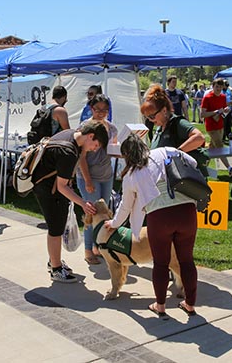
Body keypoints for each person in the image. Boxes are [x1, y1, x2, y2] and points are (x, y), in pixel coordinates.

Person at [104, 133, 198, 316]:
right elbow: (192, 163)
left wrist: (114, 224)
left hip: (160, 217)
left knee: (161, 263)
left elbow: (125, 206)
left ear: (126, 155)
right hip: (187, 211)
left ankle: (160, 305)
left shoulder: (131, 176)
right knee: (186, 260)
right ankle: (190, 304)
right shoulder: (166, 151)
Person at [31, 120, 108, 283]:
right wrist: (82, 203)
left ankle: (54, 260)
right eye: (96, 145)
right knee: (55, 229)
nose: (94, 150)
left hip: (46, 185)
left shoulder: (70, 134)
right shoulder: (68, 152)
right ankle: (56, 269)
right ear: (91, 136)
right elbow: (62, 187)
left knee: (56, 227)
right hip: (49, 190)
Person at [76, 94, 117, 265]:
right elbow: (81, 157)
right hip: (89, 177)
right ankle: (88, 250)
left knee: (103, 214)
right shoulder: (85, 128)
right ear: (91, 109)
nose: (101, 113)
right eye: (97, 109)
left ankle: (97, 247)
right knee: (91, 214)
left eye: (104, 110)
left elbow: (114, 150)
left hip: (106, 175)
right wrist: (87, 181)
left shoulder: (112, 128)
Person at [143, 84, 207, 176]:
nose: (150, 120)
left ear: (164, 111)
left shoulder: (178, 123)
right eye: (147, 117)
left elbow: (199, 138)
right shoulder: (160, 127)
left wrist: (176, 154)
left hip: (182, 181)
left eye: (152, 116)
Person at [200, 79, 232, 172]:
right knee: (219, 146)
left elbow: (223, 109)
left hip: (220, 125)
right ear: (213, 86)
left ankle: (202, 167)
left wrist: (226, 110)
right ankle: (229, 168)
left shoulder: (223, 97)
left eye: (220, 87)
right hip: (211, 126)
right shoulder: (207, 98)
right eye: (216, 87)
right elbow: (202, 114)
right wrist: (215, 112)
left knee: (212, 148)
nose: (218, 89)